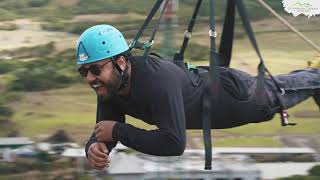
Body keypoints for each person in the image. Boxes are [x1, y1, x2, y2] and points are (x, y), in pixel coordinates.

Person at [75, 24, 320, 170]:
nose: (89, 78)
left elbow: (173, 143)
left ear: (120, 63)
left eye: (95, 69)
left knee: (286, 91)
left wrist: (117, 132)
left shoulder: (156, 82)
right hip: (210, 89)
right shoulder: (109, 86)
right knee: (296, 82)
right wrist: (95, 147)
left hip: (239, 96)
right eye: (83, 71)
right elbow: (104, 131)